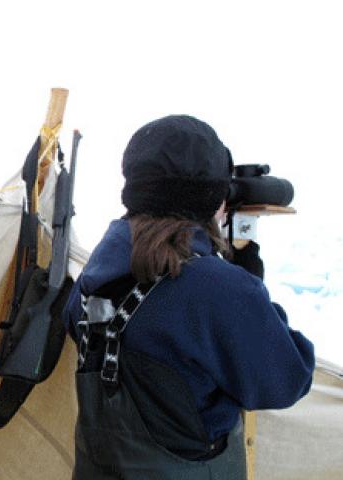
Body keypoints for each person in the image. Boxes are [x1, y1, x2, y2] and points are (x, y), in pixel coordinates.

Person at [63, 115, 315, 479]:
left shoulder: (94, 274)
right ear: (214, 200)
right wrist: (243, 273)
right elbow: (285, 380)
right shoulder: (217, 290)